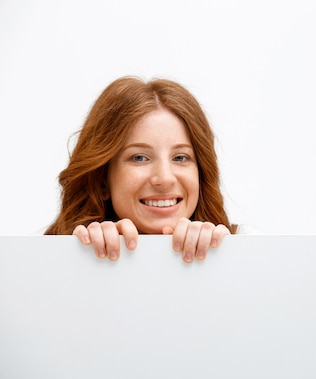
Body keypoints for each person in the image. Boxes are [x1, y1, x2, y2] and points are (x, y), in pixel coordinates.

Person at [45, 76, 251, 263]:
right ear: (102, 180)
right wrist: (77, 260)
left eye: (180, 157)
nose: (164, 179)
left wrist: (227, 259)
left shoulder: (249, 244)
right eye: (139, 158)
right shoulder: (49, 258)